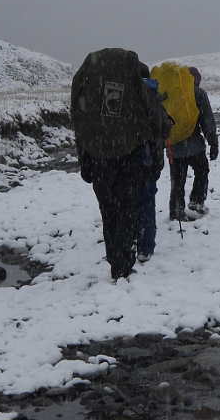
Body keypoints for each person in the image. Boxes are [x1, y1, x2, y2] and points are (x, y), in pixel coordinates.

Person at [72, 49, 171, 280]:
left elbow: (80, 125)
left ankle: (116, 263)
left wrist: (85, 160)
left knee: (109, 213)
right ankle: (125, 265)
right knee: (127, 211)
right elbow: (160, 123)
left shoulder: (90, 90)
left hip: (98, 160)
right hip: (130, 160)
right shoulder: (139, 89)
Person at [168, 66, 218, 220]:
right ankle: (197, 201)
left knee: (177, 180)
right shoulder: (198, 94)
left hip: (174, 146)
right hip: (194, 145)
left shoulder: (171, 94)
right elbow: (207, 120)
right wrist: (213, 142)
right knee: (202, 171)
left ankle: (176, 210)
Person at [136, 63, 170, 263]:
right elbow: (165, 128)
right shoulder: (153, 97)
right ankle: (145, 247)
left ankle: (129, 240)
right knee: (147, 202)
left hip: (126, 161)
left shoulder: (126, 97)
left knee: (128, 202)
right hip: (150, 161)